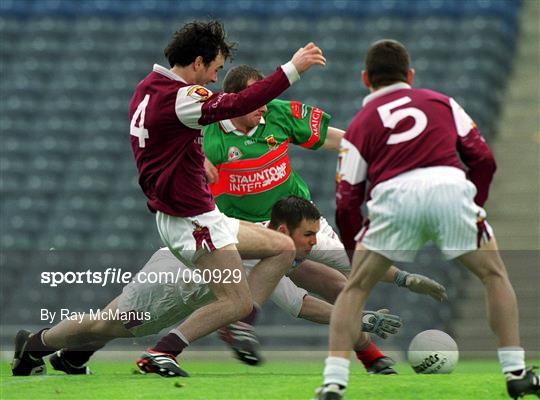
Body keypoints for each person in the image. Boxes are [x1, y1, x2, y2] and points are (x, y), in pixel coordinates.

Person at [12, 20, 326, 376]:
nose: (212, 79)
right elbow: (238, 103)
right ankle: (155, 351)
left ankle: (74, 352)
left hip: (203, 217)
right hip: (191, 223)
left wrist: (194, 161)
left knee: (281, 248)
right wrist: (292, 69)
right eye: (214, 70)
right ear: (197, 62)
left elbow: (166, 142)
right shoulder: (181, 98)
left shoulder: (147, 88)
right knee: (138, 319)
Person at [314, 39, 540, 400]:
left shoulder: (359, 125)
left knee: (355, 288)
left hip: (394, 197)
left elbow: (347, 198)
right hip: (449, 189)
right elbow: (484, 160)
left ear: (364, 79)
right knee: (494, 275)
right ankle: (515, 374)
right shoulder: (441, 102)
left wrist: (355, 243)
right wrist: (473, 206)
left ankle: (333, 383)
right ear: (411, 75)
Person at [202, 65, 448, 373]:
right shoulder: (210, 134)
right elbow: (186, 161)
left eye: (264, 96)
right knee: (293, 301)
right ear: (235, 100)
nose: (263, 105)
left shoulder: (278, 114)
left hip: (296, 217)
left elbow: (333, 140)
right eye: (255, 98)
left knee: (341, 279)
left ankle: (369, 355)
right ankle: (213, 333)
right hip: (248, 233)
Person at [11, 197, 402, 377]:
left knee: (112, 324)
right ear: (283, 231)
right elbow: (298, 303)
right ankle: (33, 346)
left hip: (186, 285)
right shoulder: (267, 252)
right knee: (110, 323)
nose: (313, 244)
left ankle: (69, 358)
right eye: (308, 235)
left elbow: (299, 302)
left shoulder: (271, 252)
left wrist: (361, 318)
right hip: (173, 281)